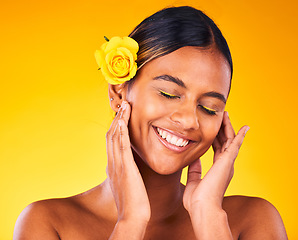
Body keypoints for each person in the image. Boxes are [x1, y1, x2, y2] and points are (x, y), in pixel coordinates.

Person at [13, 6, 287, 240]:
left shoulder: (253, 221)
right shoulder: (48, 224)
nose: (189, 120)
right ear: (119, 91)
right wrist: (130, 222)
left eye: (209, 107)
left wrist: (209, 217)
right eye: (168, 94)